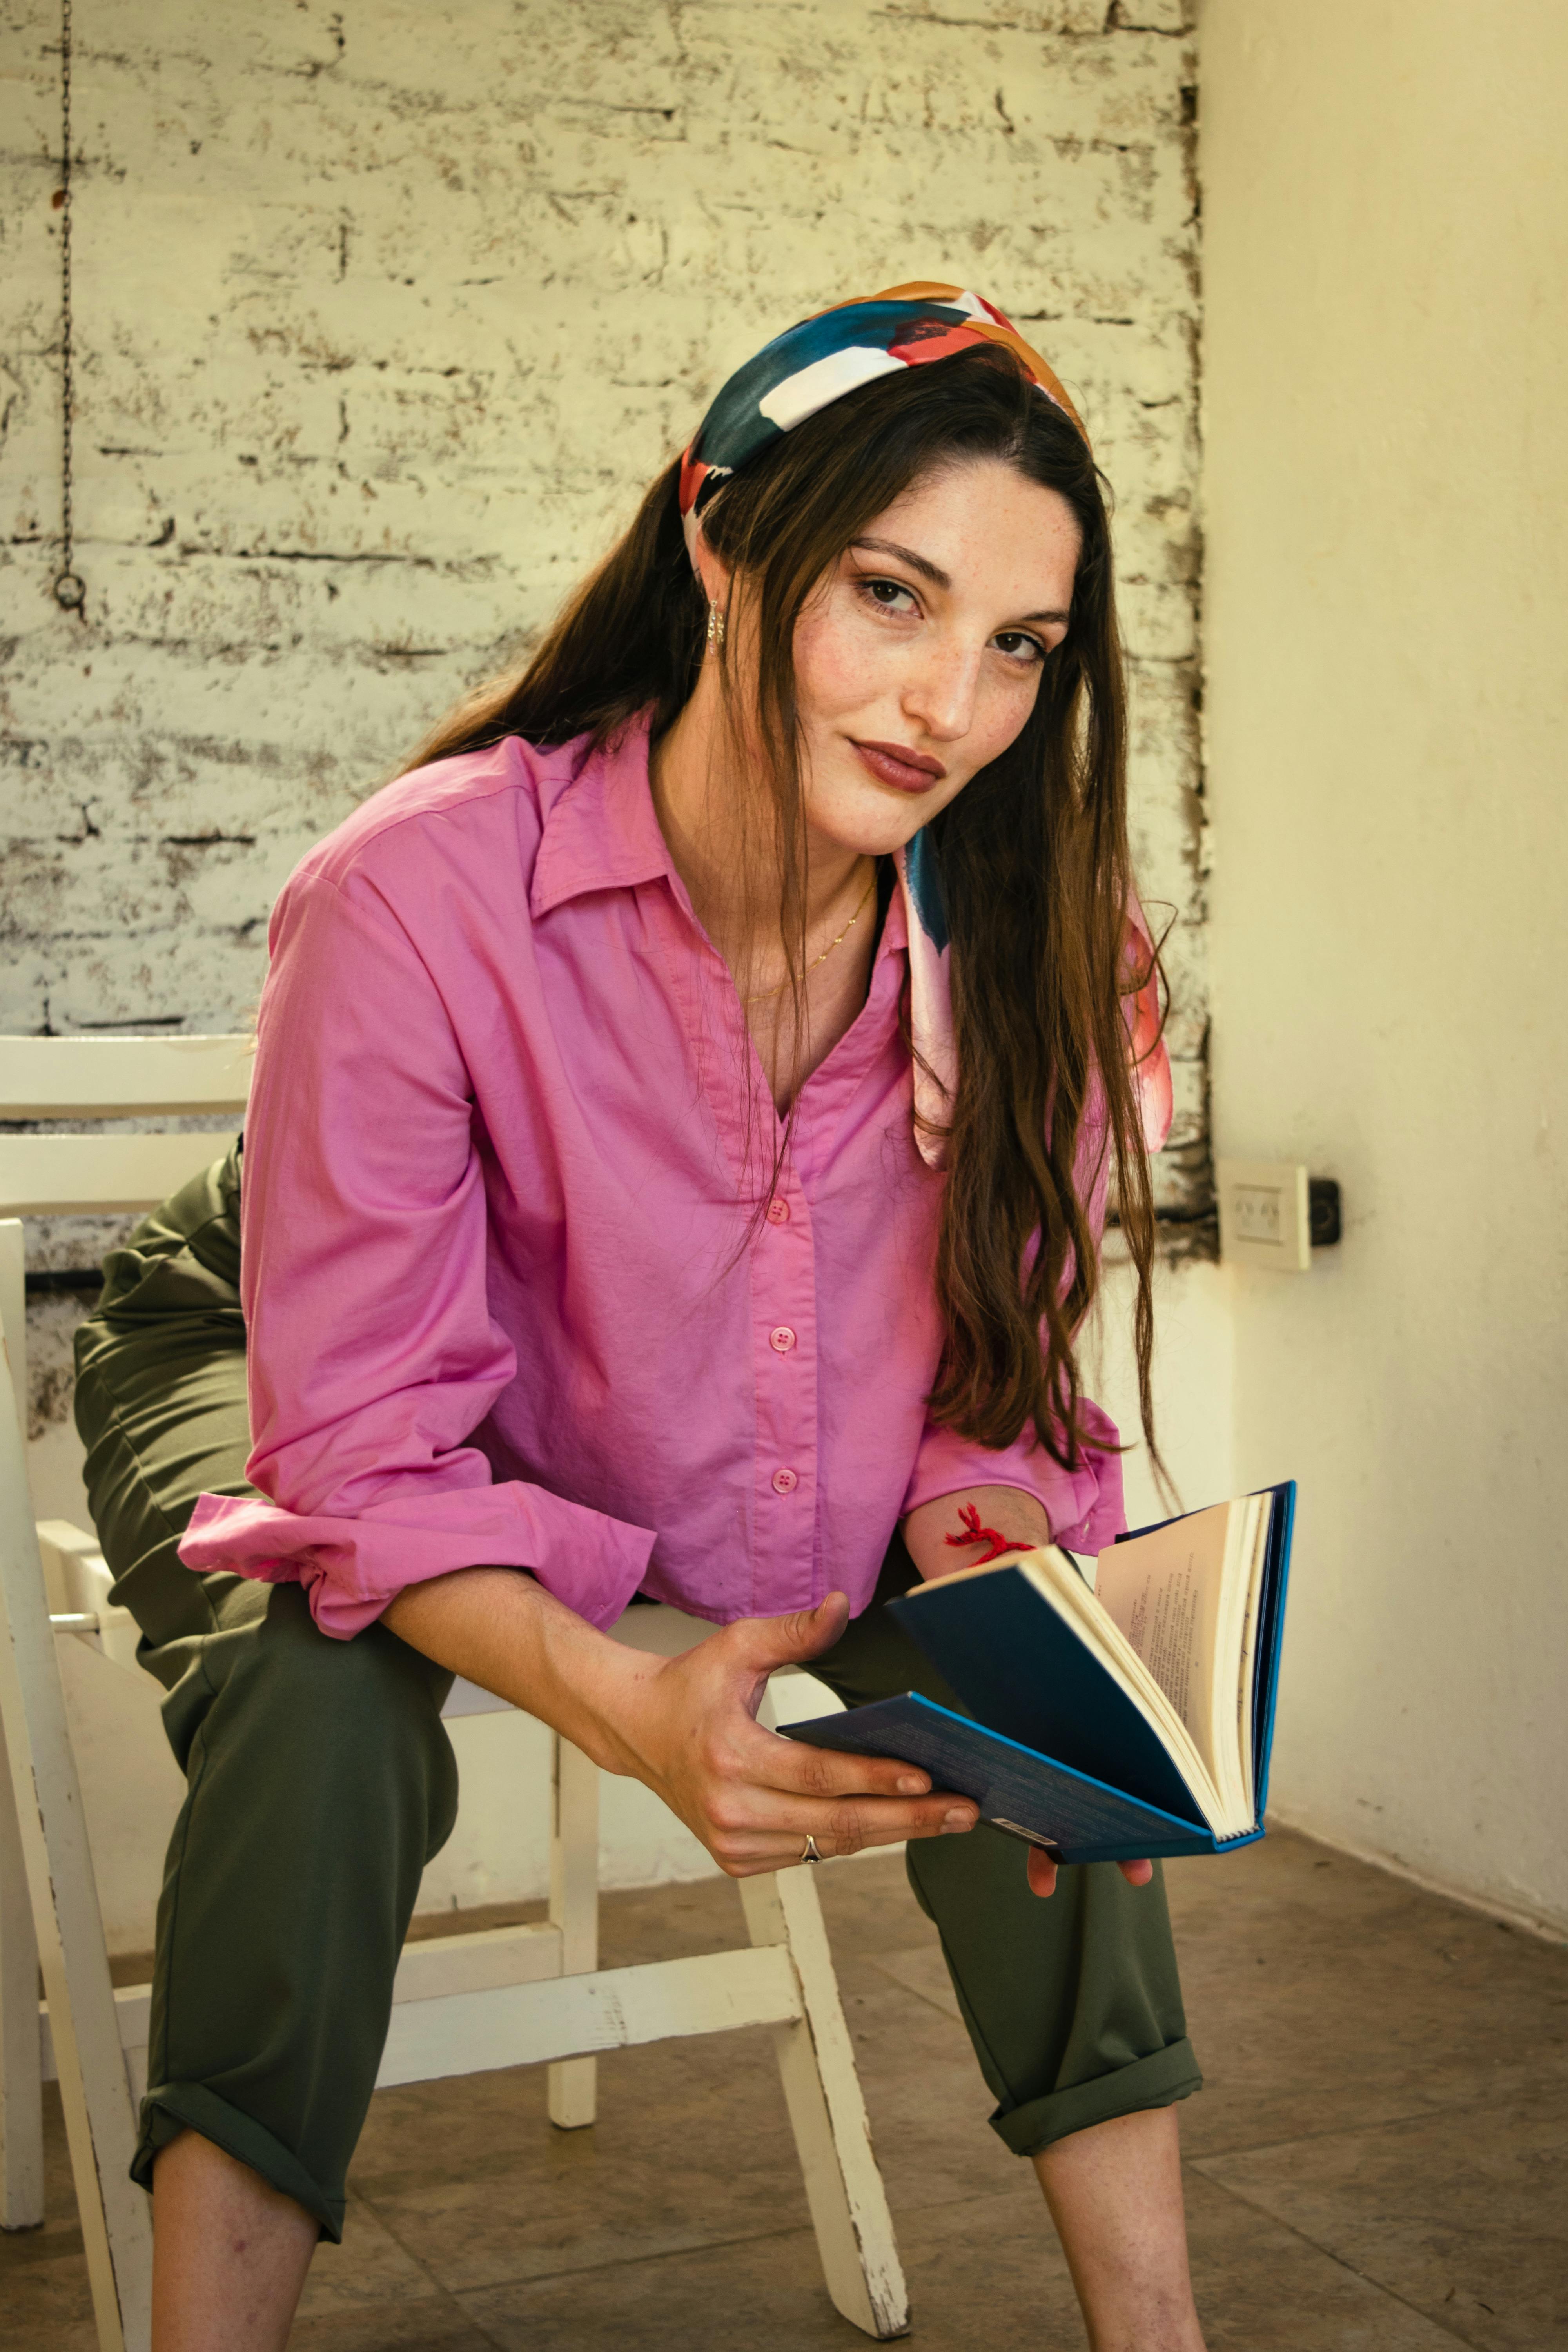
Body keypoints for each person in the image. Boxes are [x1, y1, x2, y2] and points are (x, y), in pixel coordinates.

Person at [74, 283, 1205, 2352]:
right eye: (893, 592)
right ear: (718, 534)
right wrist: (636, 1710)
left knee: (1052, 1696)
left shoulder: (1049, 961)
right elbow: (357, 1454)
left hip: (667, 1397)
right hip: (305, 1346)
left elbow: (994, 1412)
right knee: (311, 1702)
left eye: (1020, 646)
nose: (948, 700)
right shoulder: (418, 900)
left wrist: (1000, 1574)